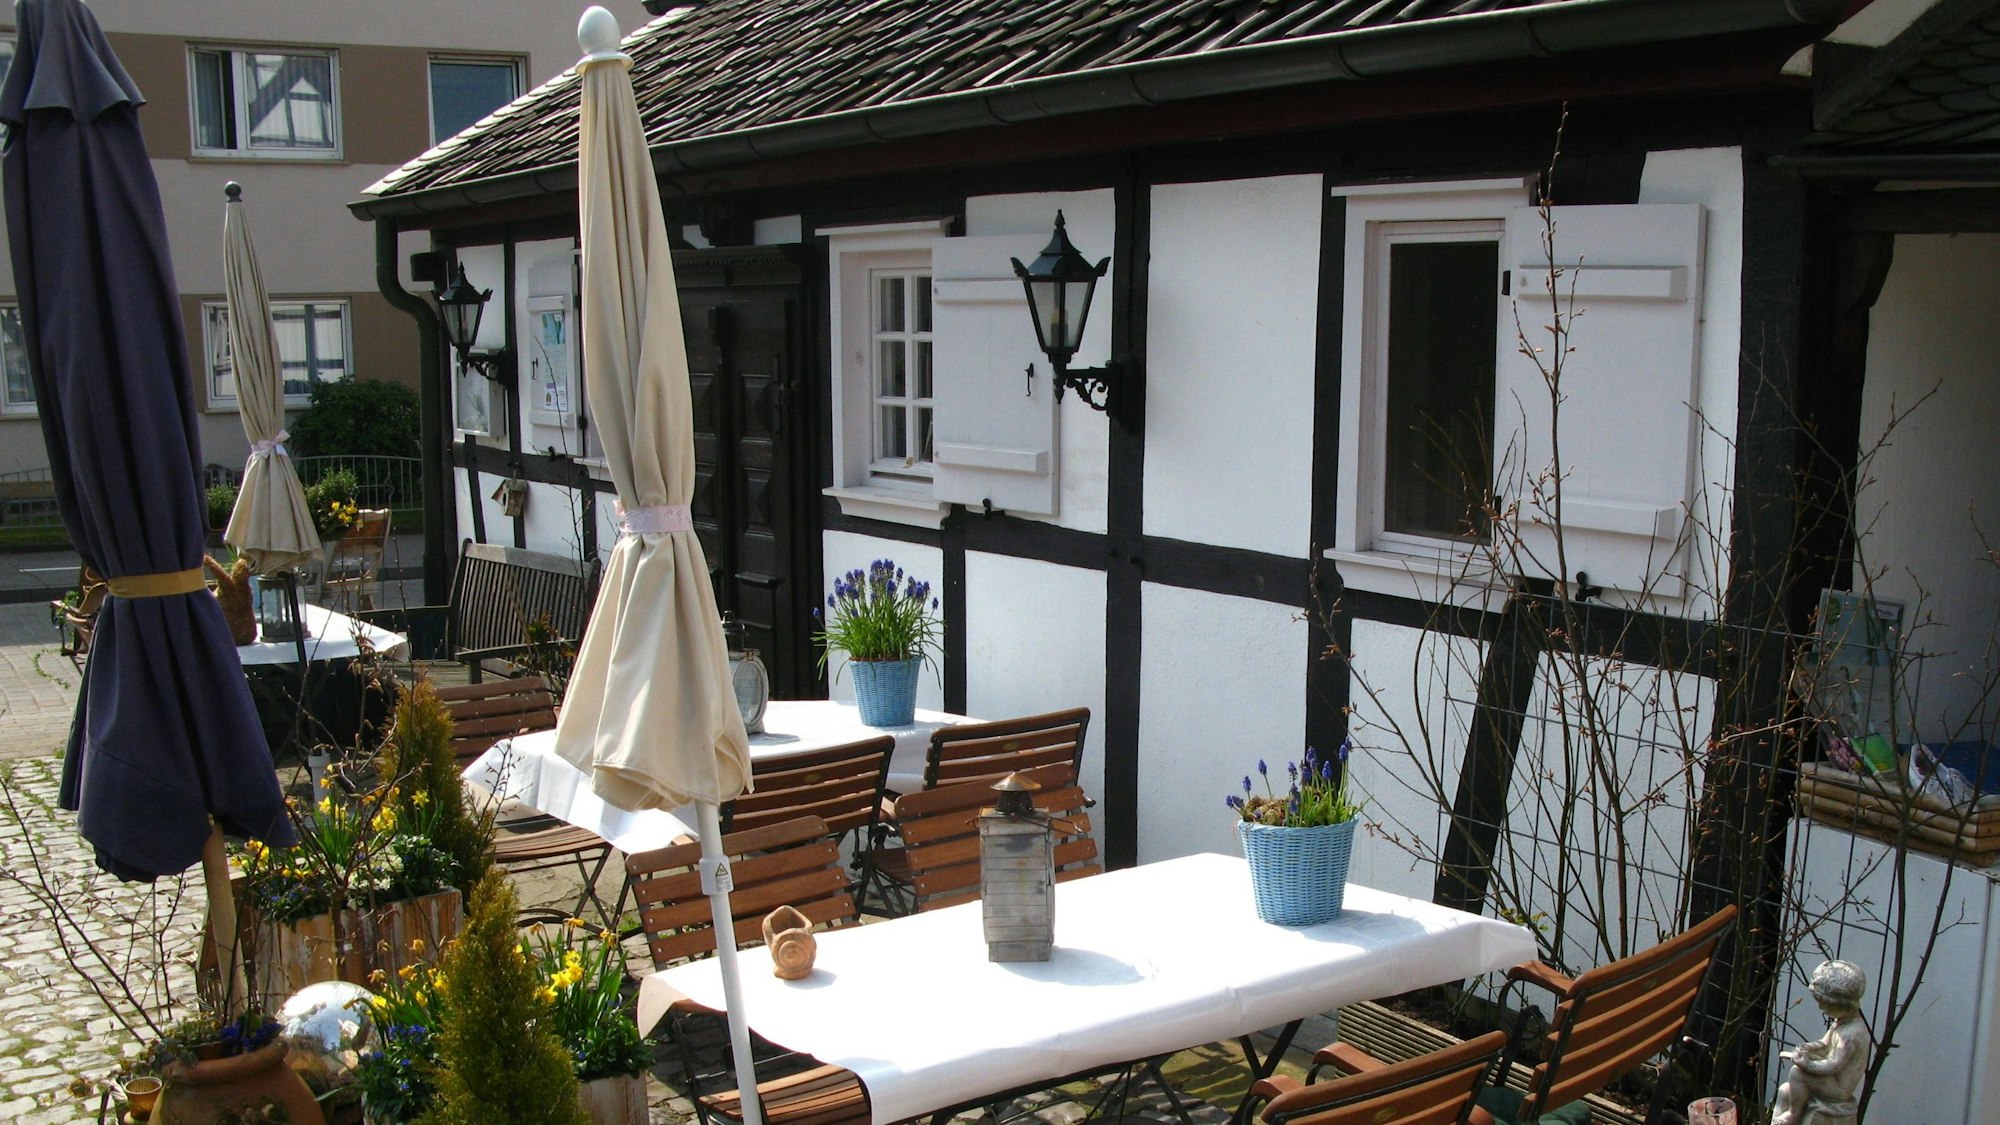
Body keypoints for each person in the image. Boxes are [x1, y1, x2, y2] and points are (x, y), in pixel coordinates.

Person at [1770, 959, 1871, 1125]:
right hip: (1829, 1080)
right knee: (1784, 1091)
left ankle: (1793, 1114)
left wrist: (1806, 1065)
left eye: (1824, 1005)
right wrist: (1805, 1048)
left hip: (1839, 1089)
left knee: (1797, 1073)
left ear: (1841, 1004)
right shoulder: (1841, 1022)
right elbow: (1823, 1044)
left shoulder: (1853, 1035)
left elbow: (1834, 1064)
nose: (1820, 1008)